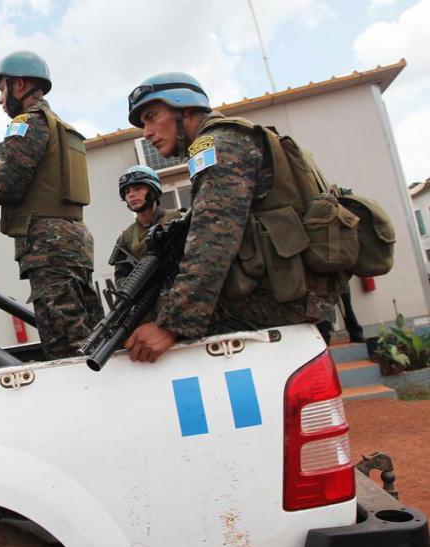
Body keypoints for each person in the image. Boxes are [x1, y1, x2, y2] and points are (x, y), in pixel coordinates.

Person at [122, 72, 343, 362]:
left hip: (283, 301)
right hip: (295, 293)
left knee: (145, 333)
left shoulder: (217, 143)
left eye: (151, 116)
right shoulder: (235, 137)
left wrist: (171, 325)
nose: (147, 132)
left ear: (184, 109)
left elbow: (213, 242)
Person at [0, 51, 103, 359]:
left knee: (66, 349)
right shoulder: (57, 125)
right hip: (72, 242)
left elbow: (2, 188)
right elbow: (26, 177)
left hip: (48, 247)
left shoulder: (26, 124)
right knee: (88, 335)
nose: (0, 100)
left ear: (18, 85)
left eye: (2, 90)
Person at [111, 165, 182, 288]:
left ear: (153, 190)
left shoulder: (179, 218)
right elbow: (120, 278)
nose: (131, 195)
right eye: (127, 192)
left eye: (137, 188)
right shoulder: (126, 238)